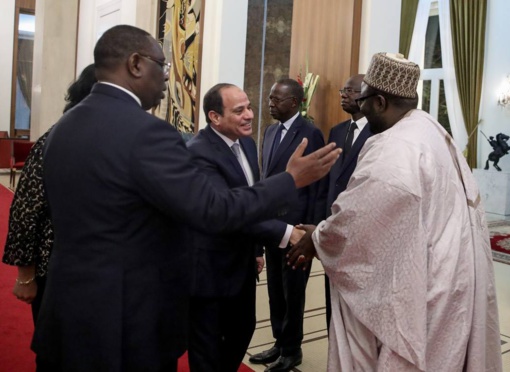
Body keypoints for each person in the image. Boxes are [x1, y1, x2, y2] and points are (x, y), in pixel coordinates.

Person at [34, 25, 339, 372]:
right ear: (135, 64)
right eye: (161, 66)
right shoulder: (146, 132)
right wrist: (290, 179)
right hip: (123, 319)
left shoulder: (64, 126)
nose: (167, 78)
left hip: (65, 310)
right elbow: (212, 209)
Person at [287, 53, 503, 371]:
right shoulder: (431, 130)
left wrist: (317, 238)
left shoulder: (393, 149)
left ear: (380, 101)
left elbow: (359, 224)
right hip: (449, 275)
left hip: (423, 286)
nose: (360, 108)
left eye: (364, 101)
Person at [185, 83, 305, 372]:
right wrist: (289, 233)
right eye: (239, 110)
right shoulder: (199, 153)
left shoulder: (247, 144)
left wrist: (256, 250)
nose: (250, 115)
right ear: (214, 117)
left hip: (242, 264)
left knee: (242, 331)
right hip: (210, 270)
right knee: (208, 350)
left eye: (249, 107)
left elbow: (253, 199)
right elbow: (230, 211)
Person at [2, 64, 97, 325]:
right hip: (55, 269)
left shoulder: (112, 140)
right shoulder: (55, 139)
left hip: (98, 273)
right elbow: (26, 210)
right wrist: (25, 276)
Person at [249, 78, 326, 372]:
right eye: (270, 98)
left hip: (296, 229)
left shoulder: (310, 133)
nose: (270, 103)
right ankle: (279, 342)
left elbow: (316, 186)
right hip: (271, 225)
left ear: (294, 103)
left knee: (294, 291)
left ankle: (293, 350)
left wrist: (310, 230)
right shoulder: (269, 132)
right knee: (274, 290)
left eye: (276, 99)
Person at [322, 74, 372, 330]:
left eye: (350, 91)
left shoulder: (378, 132)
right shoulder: (337, 130)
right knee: (331, 293)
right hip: (334, 224)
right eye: (343, 90)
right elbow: (330, 179)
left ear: (366, 95)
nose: (344, 95)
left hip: (360, 228)